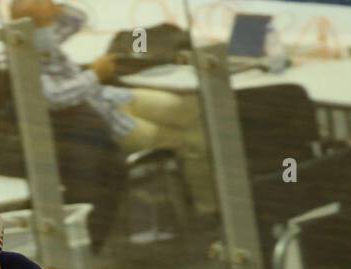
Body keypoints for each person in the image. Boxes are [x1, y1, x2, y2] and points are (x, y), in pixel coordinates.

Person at [11, 0, 215, 215]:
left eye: (50, 18)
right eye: (42, 21)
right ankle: (207, 208)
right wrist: (95, 75)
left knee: (192, 106)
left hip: (110, 98)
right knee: (189, 141)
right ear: (22, 24)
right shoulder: (23, 58)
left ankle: (201, 184)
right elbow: (55, 97)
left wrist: (54, 8)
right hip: (101, 120)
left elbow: (77, 19)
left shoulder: (42, 41)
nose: (50, 25)